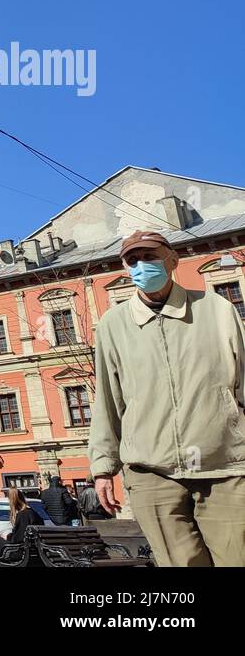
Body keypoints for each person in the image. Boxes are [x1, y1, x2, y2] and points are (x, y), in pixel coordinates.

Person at [90, 230, 245, 567]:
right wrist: (103, 468)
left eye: (149, 257)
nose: (141, 266)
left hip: (223, 465)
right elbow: (108, 400)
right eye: (133, 260)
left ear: (173, 260)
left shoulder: (217, 309)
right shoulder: (112, 325)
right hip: (151, 471)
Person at [0, 488, 44, 559]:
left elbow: (18, 539)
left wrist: (7, 537)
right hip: (33, 550)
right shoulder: (33, 513)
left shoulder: (23, 515)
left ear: (12, 501)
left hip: (20, 552)